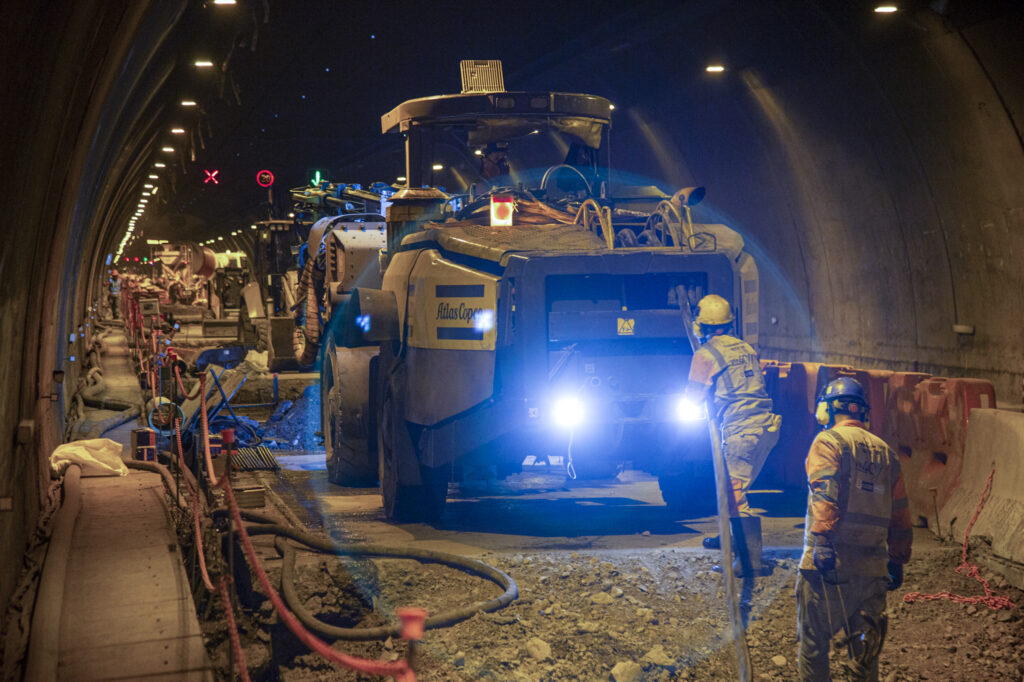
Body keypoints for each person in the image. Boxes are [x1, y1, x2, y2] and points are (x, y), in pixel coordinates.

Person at [796, 377, 912, 681]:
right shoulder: (886, 452)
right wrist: (897, 557)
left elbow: (825, 490)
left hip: (831, 567)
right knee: (865, 654)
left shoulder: (829, 442)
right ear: (863, 412)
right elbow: (900, 510)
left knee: (814, 645)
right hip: (873, 572)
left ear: (827, 410)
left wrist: (821, 541)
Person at [684, 293, 781, 575]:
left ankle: (749, 561)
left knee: (734, 494)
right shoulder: (746, 348)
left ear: (700, 326)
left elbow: (693, 398)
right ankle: (730, 538)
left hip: (741, 430)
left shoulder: (705, 355)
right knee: (729, 487)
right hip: (764, 425)